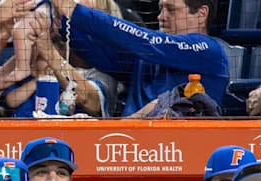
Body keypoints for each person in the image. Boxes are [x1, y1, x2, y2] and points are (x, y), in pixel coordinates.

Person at [45, 0, 226, 117]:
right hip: (128, 145)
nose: (161, 17)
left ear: (202, 14)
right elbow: (99, 53)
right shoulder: (149, 53)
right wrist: (58, 24)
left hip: (176, 148)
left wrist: (76, 11)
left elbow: (143, 39)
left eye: (171, 9)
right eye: (160, 8)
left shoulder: (209, 50)